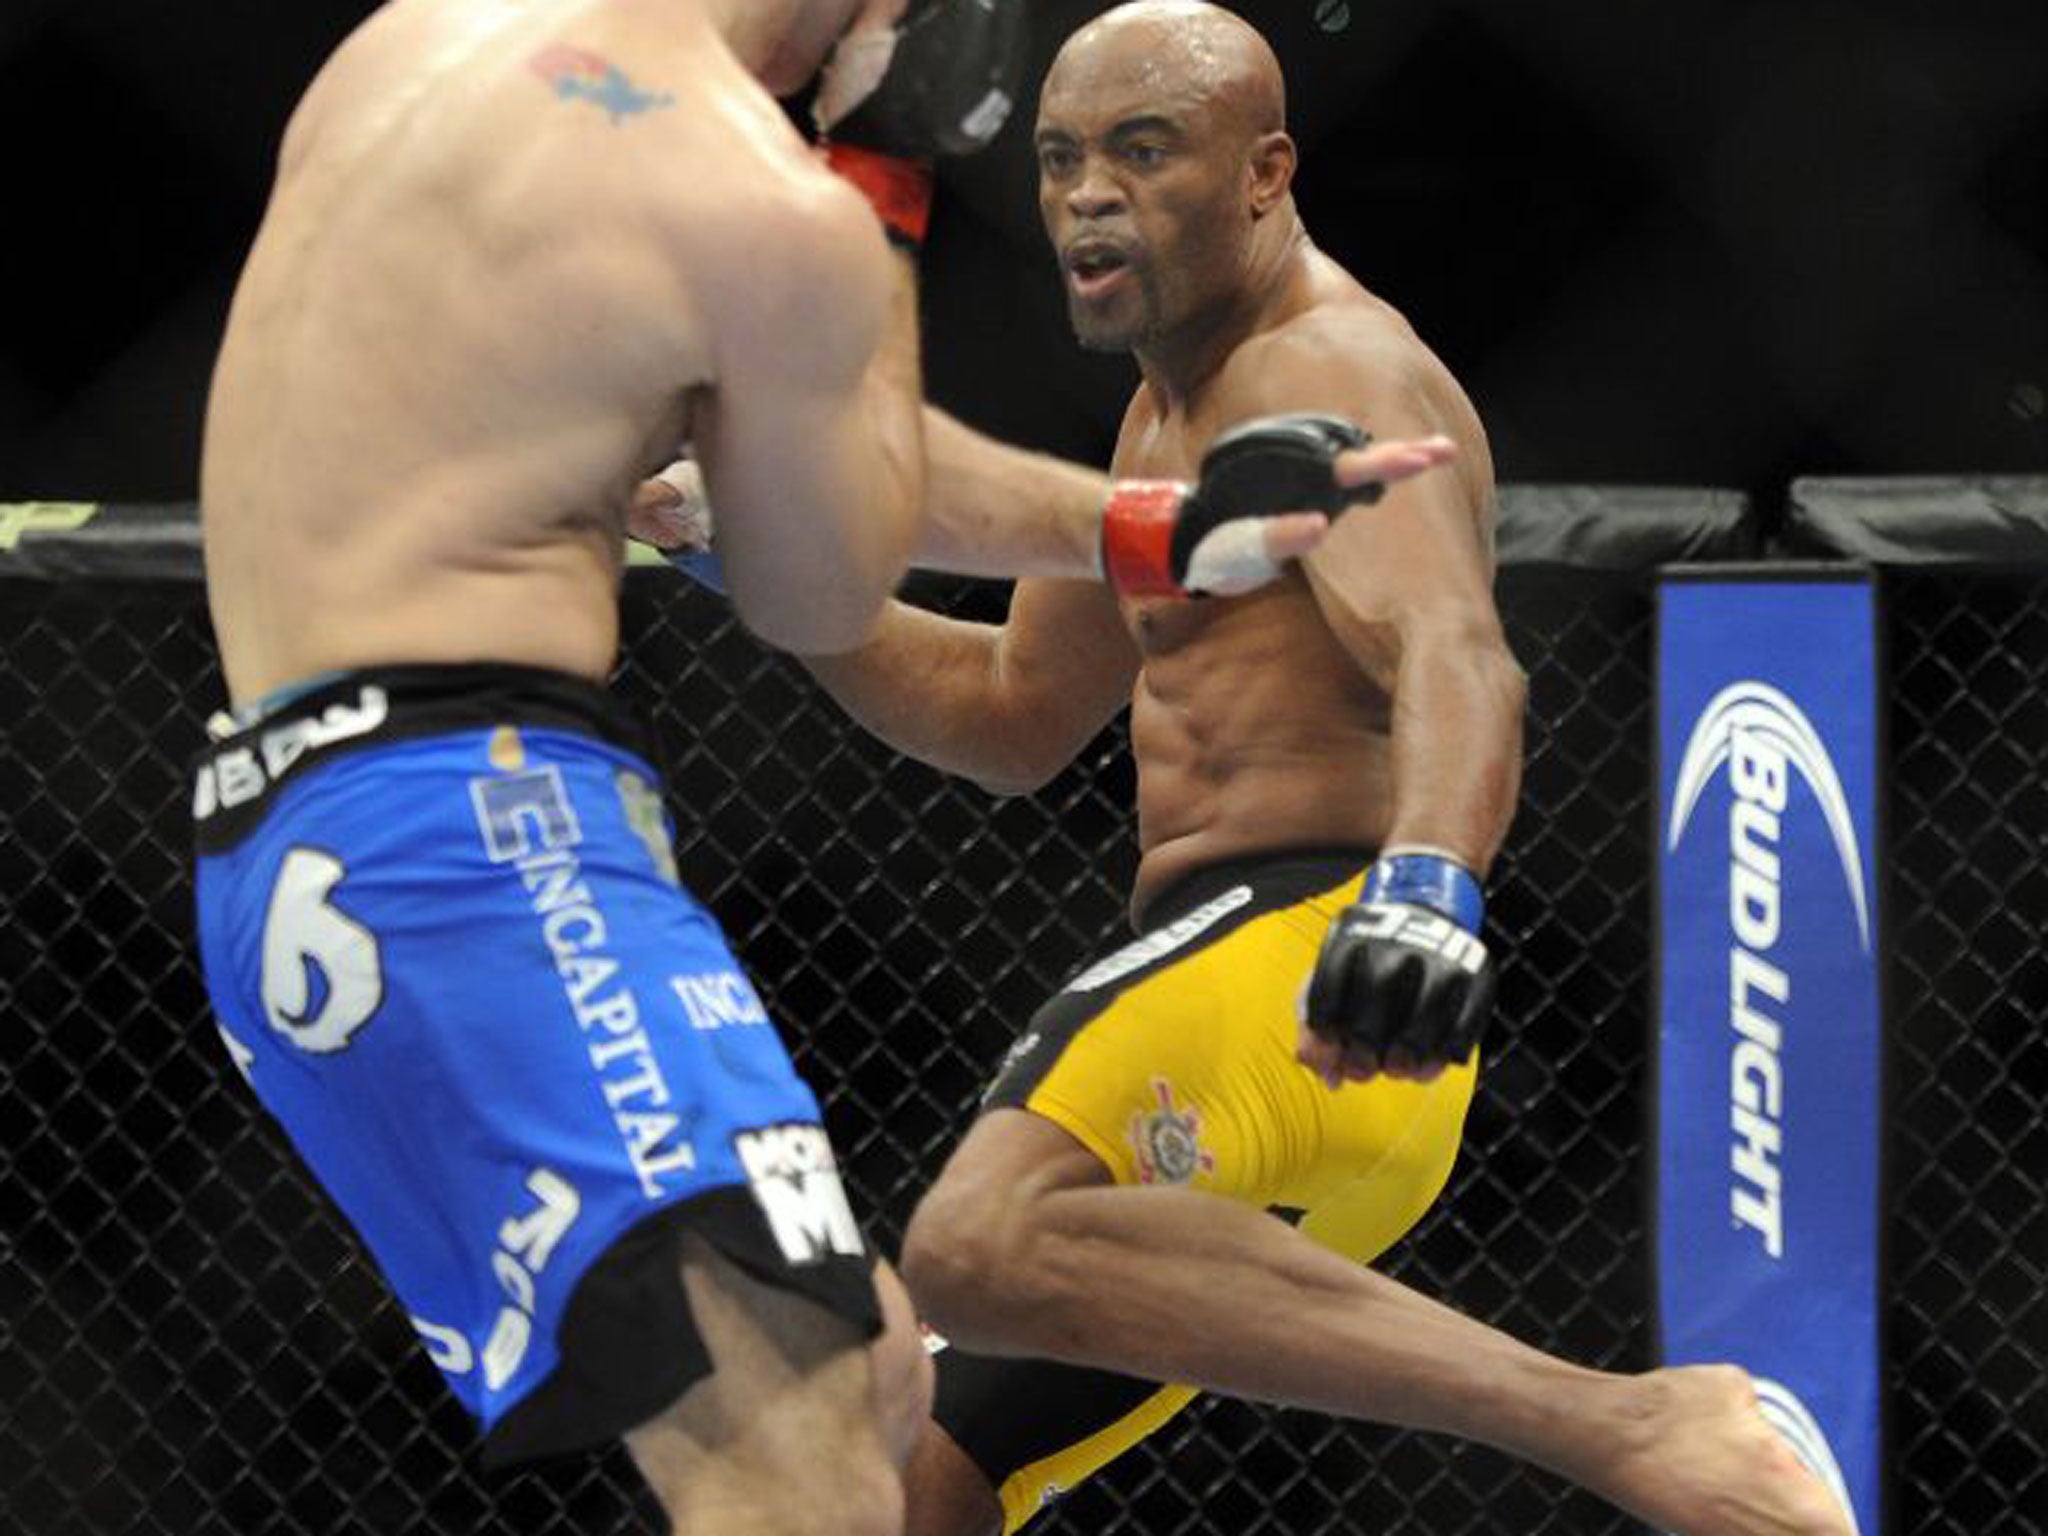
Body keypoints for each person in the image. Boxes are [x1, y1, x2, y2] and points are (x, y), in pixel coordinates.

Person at [191, 1, 1454, 1532]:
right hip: (481, 821)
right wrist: (886, 172)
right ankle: (1639, 1433)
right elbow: (822, 570)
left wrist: (1155, 528)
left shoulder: (422, 44)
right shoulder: (759, 194)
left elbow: (886, 532)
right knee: (798, 1463)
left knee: (867, 1378)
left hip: (285, 833)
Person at [641, 4, 1855, 1534]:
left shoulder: (1326, 367)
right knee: (906, 1488)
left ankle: (1628, 1423)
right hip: (1273, 1079)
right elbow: (1007, 714)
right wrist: (743, 557)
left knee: (975, 1242)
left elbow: (1455, 652)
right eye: (1062, 158)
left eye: (1143, 152)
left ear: (1267, 170)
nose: (1089, 196)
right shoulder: (1160, 418)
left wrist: (1427, 891)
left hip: (1306, 963)